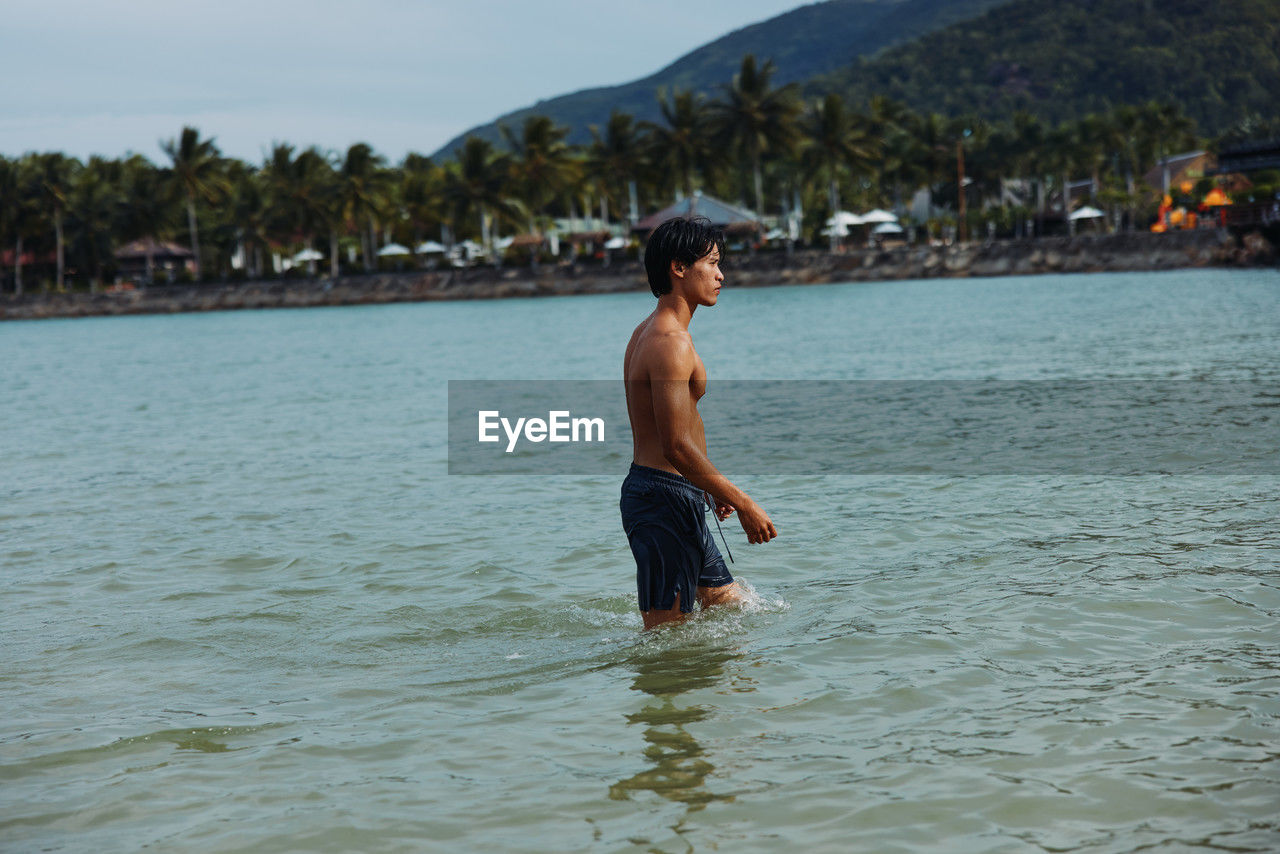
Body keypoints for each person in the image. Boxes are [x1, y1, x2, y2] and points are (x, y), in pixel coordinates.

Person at [620, 216, 777, 629]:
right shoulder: (669, 342)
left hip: (676, 493)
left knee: (734, 606)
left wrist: (706, 485)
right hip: (661, 500)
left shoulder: (646, 332)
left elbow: (683, 424)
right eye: (711, 262)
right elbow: (673, 444)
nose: (721, 274)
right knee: (664, 644)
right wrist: (743, 502)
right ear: (679, 267)